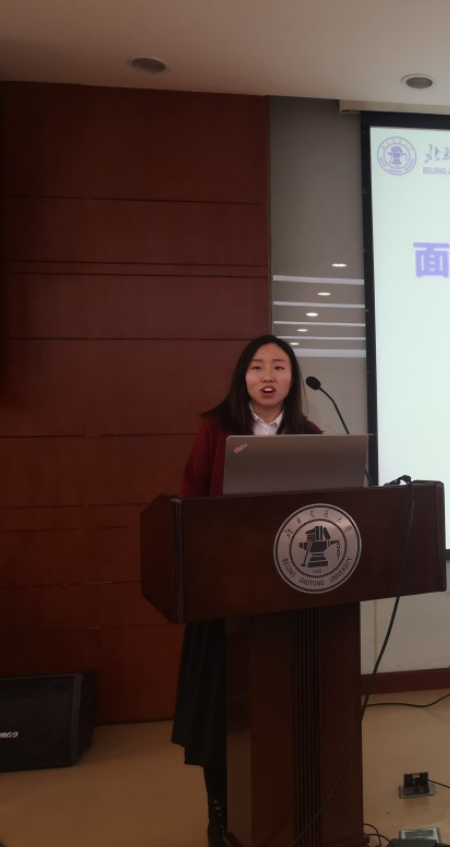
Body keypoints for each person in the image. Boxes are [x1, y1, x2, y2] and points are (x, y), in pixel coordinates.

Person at [171, 334, 320, 847]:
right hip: (226, 592)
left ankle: (289, 801)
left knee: (286, 706)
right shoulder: (217, 429)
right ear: (243, 377)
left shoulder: (310, 436)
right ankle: (220, 811)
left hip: (291, 594)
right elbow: (190, 500)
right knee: (221, 713)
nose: (268, 376)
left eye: (279, 366)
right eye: (257, 367)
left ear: (293, 380)